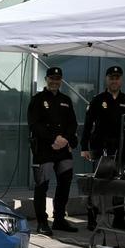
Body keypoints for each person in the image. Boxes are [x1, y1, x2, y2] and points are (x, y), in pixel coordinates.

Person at [27, 66, 77, 235]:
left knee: (65, 183)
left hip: (63, 149)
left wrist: (65, 140)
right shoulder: (38, 99)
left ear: (61, 80)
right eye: (52, 79)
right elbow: (35, 124)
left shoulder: (66, 100)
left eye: (57, 79)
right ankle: (42, 222)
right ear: (46, 79)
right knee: (42, 185)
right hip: (45, 149)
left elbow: (72, 124)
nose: (55, 82)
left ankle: (60, 219)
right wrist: (54, 139)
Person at [81, 65, 125, 161]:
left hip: (121, 147)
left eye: (117, 78)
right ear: (106, 79)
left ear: (121, 80)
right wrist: (84, 147)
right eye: (111, 78)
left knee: (121, 175)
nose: (114, 81)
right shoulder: (97, 99)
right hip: (100, 146)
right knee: (102, 175)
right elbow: (88, 124)